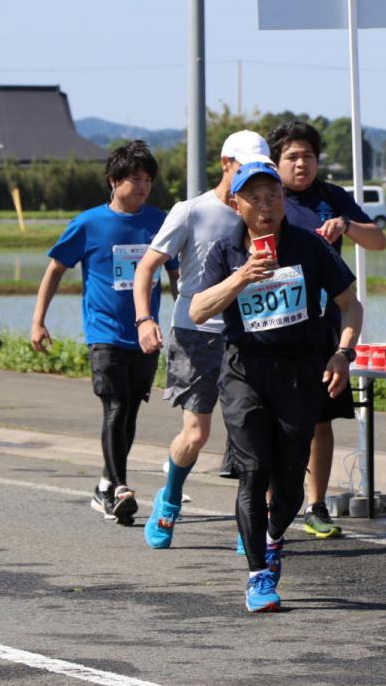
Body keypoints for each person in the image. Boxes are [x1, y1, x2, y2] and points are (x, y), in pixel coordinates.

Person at [190, 160, 362, 612]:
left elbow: (350, 304)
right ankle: (258, 575)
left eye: (274, 197)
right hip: (244, 370)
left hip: (300, 371)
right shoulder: (224, 251)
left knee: (289, 481)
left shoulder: (308, 246)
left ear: (283, 202)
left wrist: (342, 353)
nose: (265, 206)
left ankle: (272, 538)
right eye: (255, 198)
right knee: (253, 471)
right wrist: (241, 277)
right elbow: (197, 311)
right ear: (236, 204)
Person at [131, 130, 273, 549]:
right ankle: (170, 496)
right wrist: (144, 319)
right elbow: (148, 267)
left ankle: (250, 522)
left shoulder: (264, 210)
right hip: (198, 333)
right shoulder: (192, 211)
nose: (253, 178)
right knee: (196, 434)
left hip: (250, 334)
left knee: (253, 434)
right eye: (243, 166)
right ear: (226, 163)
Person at [31, 140, 178, 525]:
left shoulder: (160, 222)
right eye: (134, 179)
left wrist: (186, 320)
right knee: (114, 407)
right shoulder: (88, 223)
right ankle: (121, 486)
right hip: (105, 333)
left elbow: (176, 272)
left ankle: (105, 485)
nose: (143, 186)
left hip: (145, 336)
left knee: (128, 412)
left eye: (148, 179)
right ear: (113, 181)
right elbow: (55, 269)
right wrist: (38, 320)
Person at [266, 119, 386, 540]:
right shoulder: (268, 196)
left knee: (320, 420)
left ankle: (315, 506)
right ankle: (270, 505)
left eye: (309, 156)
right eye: (292, 157)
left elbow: (379, 241)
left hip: (324, 330)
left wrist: (346, 226)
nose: (302, 164)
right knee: (273, 420)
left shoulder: (331, 198)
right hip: (275, 327)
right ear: (276, 161)